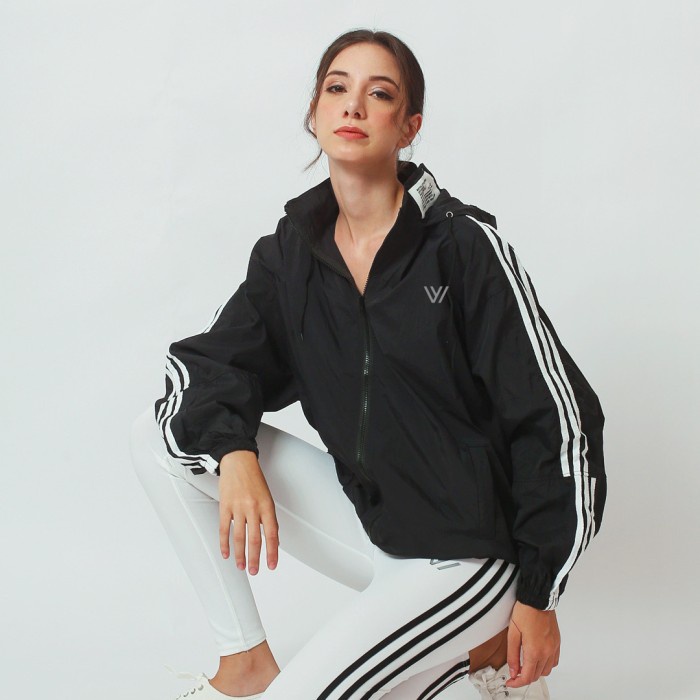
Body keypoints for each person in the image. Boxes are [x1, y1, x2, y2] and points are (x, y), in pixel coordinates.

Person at [129, 28, 607, 699]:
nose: (353, 105)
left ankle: (478, 643)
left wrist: (538, 593)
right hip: (373, 525)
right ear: (315, 113)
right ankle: (247, 662)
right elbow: (207, 365)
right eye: (337, 88)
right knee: (160, 438)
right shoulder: (291, 256)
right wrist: (234, 454)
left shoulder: (463, 249)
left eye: (379, 94)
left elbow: (559, 422)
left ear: (409, 126)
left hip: (466, 556)